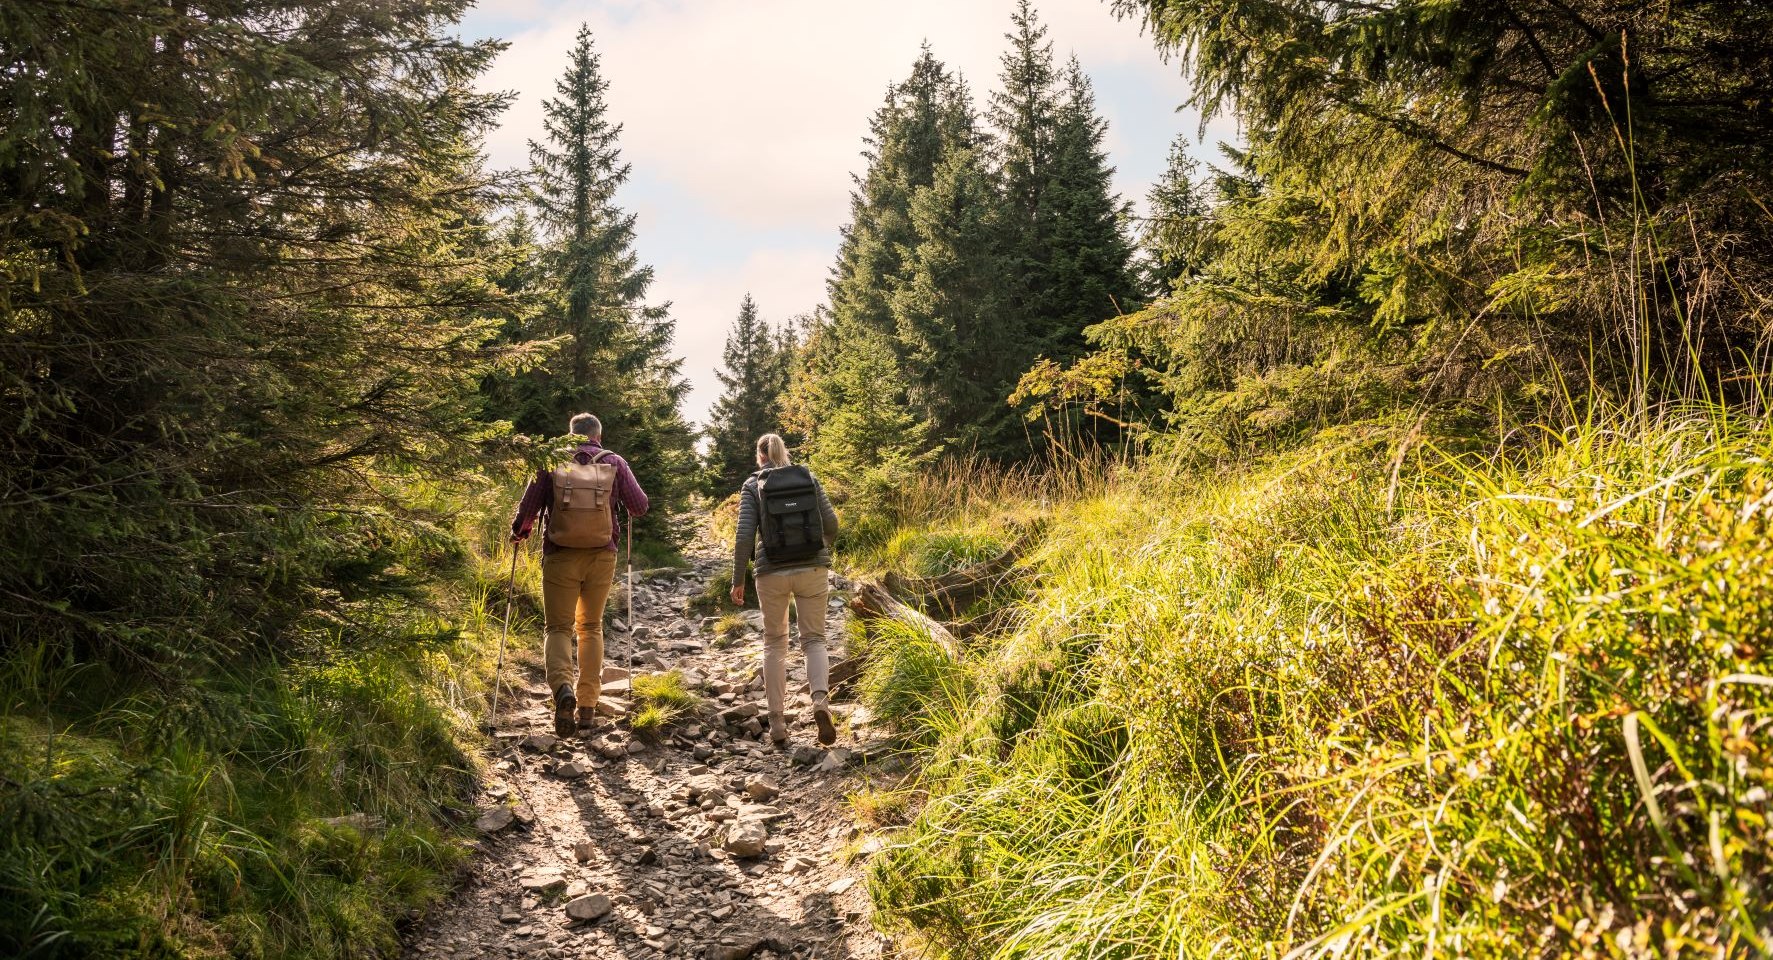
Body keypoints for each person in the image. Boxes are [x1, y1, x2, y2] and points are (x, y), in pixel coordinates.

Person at [511, 413, 649, 738]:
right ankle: (588, 706)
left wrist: (520, 532)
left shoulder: (551, 461)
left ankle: (562, 691)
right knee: (590, 627)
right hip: (602, 556)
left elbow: (528, 509)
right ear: (598, 435)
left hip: (560, 555)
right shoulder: (614, 461)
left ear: (570, 433)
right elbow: (640, 506)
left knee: (558, 627)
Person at [730, 433, 840, 746]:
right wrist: (820, 548)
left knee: (775, 642)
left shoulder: (753, 485)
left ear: (759, 455)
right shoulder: (808, 477)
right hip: (812, 568)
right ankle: (820, 702)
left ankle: (777, 723)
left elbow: (743, 537)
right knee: (814, 639)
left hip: (771, 572)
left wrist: (738, 579)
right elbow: (831, 524)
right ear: (784, 452)